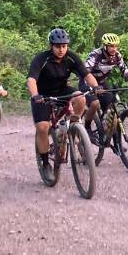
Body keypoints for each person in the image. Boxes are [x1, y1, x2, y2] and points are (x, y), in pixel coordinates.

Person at [27, 28, 102, 180]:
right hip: (43, 95)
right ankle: (46, 163)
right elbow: (31, 79)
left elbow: (86, 74)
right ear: (51, 46)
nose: (61, 49)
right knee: (43, 127)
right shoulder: (41, 59)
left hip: (62, 90)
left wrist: (95, 87)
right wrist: (35, 95)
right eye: (57, 46)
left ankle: (74, 125)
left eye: (64, 46)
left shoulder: (71, 57)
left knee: (80, 97)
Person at [80, 33, 128, 138]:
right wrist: (94, 87)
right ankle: (87, 128)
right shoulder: (95, 55)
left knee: (110, 110)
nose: (114, 49)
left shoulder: (117, 55)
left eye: (116, 46)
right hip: (87, 83)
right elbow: (86, 72)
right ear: (105, 46)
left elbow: (125, 70)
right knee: (95, 103)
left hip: (102, 83)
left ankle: (114, 141)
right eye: (111, 46)